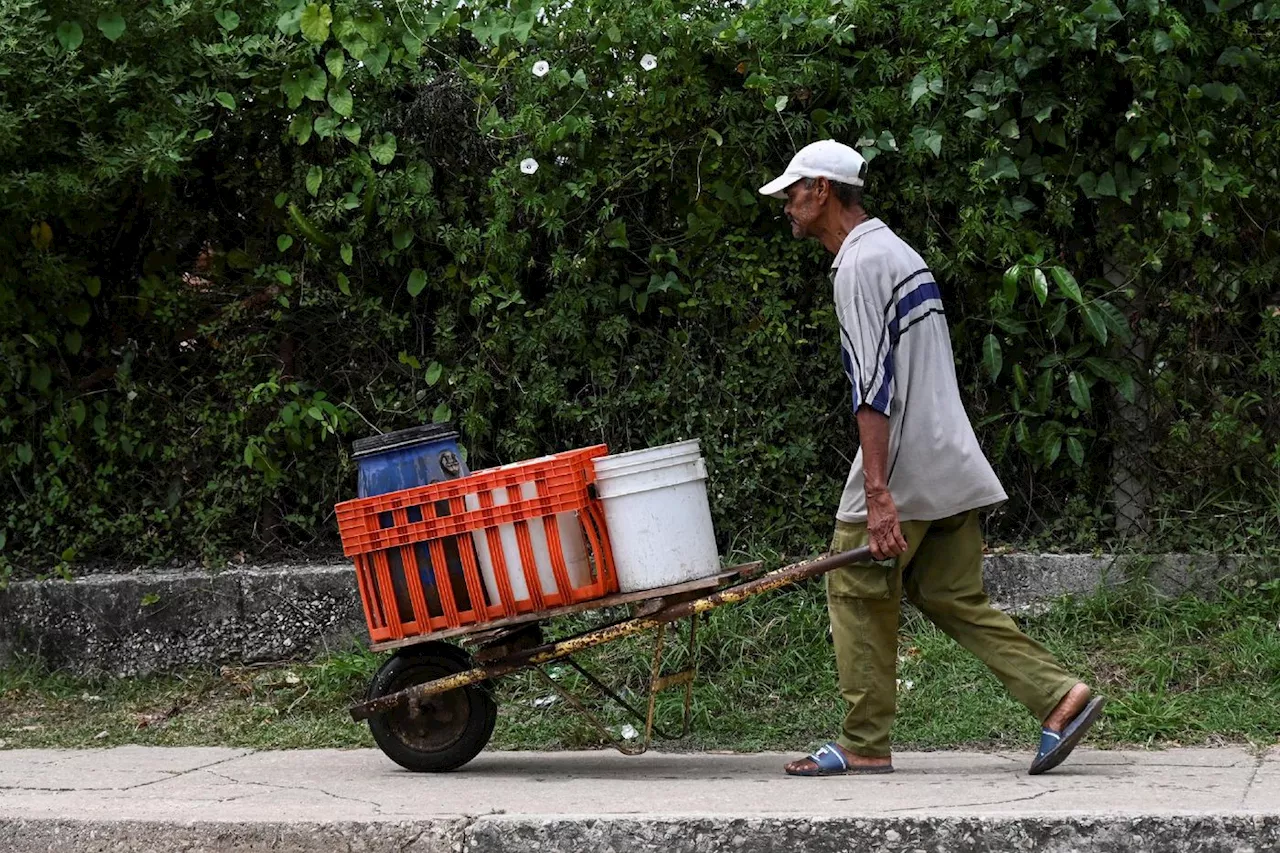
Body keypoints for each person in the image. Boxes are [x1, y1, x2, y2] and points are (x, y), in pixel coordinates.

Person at [758, 140, 1105, 777]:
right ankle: (1060, 697)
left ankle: (864, 742)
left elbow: (873, 385)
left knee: (856, 588)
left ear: (823, 191)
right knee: (949, 592)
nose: (786, 204)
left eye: (793, 191)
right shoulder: (898, 250)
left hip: (906, 464)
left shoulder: (859, 265)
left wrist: (881, 491)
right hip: (949, 455)